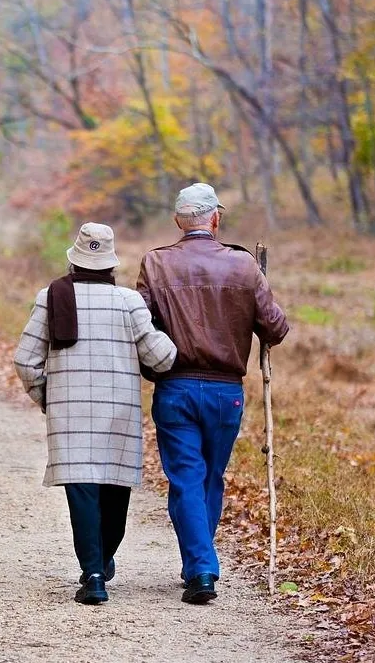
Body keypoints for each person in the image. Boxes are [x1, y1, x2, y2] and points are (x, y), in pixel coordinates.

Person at [136, 183, 289, 605]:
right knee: (209, 477)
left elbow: (139, 324)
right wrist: (256, 288)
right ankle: (201, 565)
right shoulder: (243, 266)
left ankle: (200, 566)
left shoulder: (155, 263)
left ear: (177, 222)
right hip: (226, 393)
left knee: (186, 478)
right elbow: (276, 328)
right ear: (215, 219)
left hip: (175, 386)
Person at [13, 222, 177, 605]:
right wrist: (168, 333)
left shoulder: (50, 297)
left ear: (74, 261)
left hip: (69, 415)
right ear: (111, 265)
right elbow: (162, 358)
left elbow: (25, 360)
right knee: (114, 491)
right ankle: (101, 561)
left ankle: (94, 573)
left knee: (82, 491)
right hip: (118, 412)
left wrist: (48, 397)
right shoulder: (129, 302)